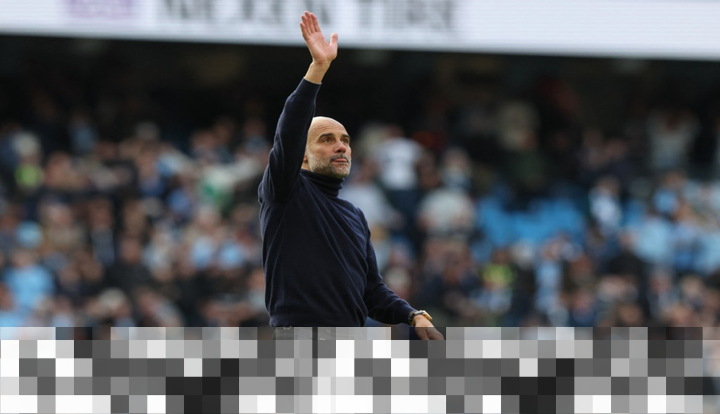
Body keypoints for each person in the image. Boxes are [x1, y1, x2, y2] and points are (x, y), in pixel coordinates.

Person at [258, 12, 443, 341]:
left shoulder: (354, 215)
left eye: (345, 140)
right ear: (302, 154)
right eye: (326, 139)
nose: (341, 146)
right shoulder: (286, 193)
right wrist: (318, 68)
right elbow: (289, 131)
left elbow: (372, 292)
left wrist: (413, 315)